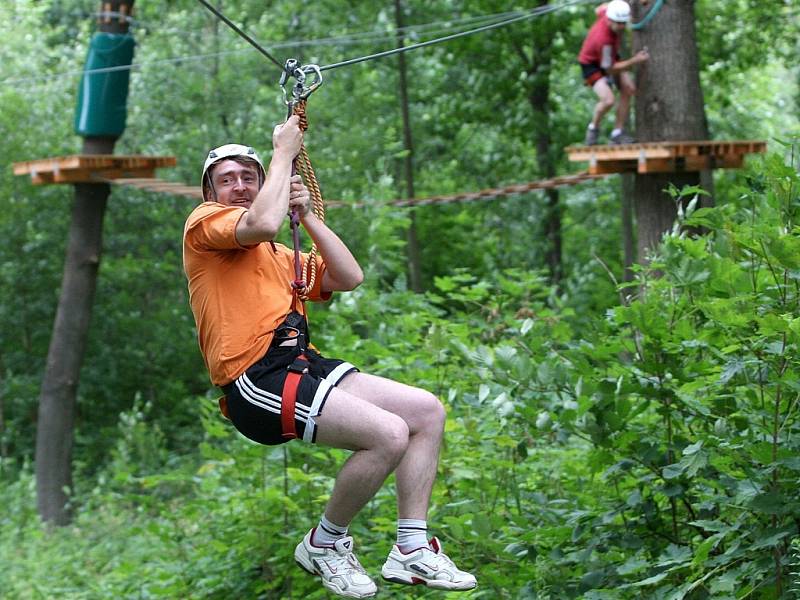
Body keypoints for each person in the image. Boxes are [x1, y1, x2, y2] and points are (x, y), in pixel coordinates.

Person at [182, 115, 477, 598]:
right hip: (254, 380)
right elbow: (261, 221)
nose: (238, 186)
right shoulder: (205, 226)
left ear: (262, 184)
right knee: (387, 434)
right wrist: (281, 153)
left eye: (248, 177)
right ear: (210, 192)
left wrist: (311, 218)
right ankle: (325, 543)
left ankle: (411, 548)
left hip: (298, 365)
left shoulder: (278, 254)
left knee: (426, 412)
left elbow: (348, 276)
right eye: (226, 180)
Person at [578, 0, 650, 145]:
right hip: (592, 64)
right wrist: (634, 61)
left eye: (624, 23)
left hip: (610, 58)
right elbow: (609, 69)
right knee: (608, 100)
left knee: (628, 89)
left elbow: (600, 8)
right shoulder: (604, 40)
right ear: (610, 20)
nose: (622, 26)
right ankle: (593, 129)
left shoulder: (606, 12)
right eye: (618, 23)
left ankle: (617, 133)